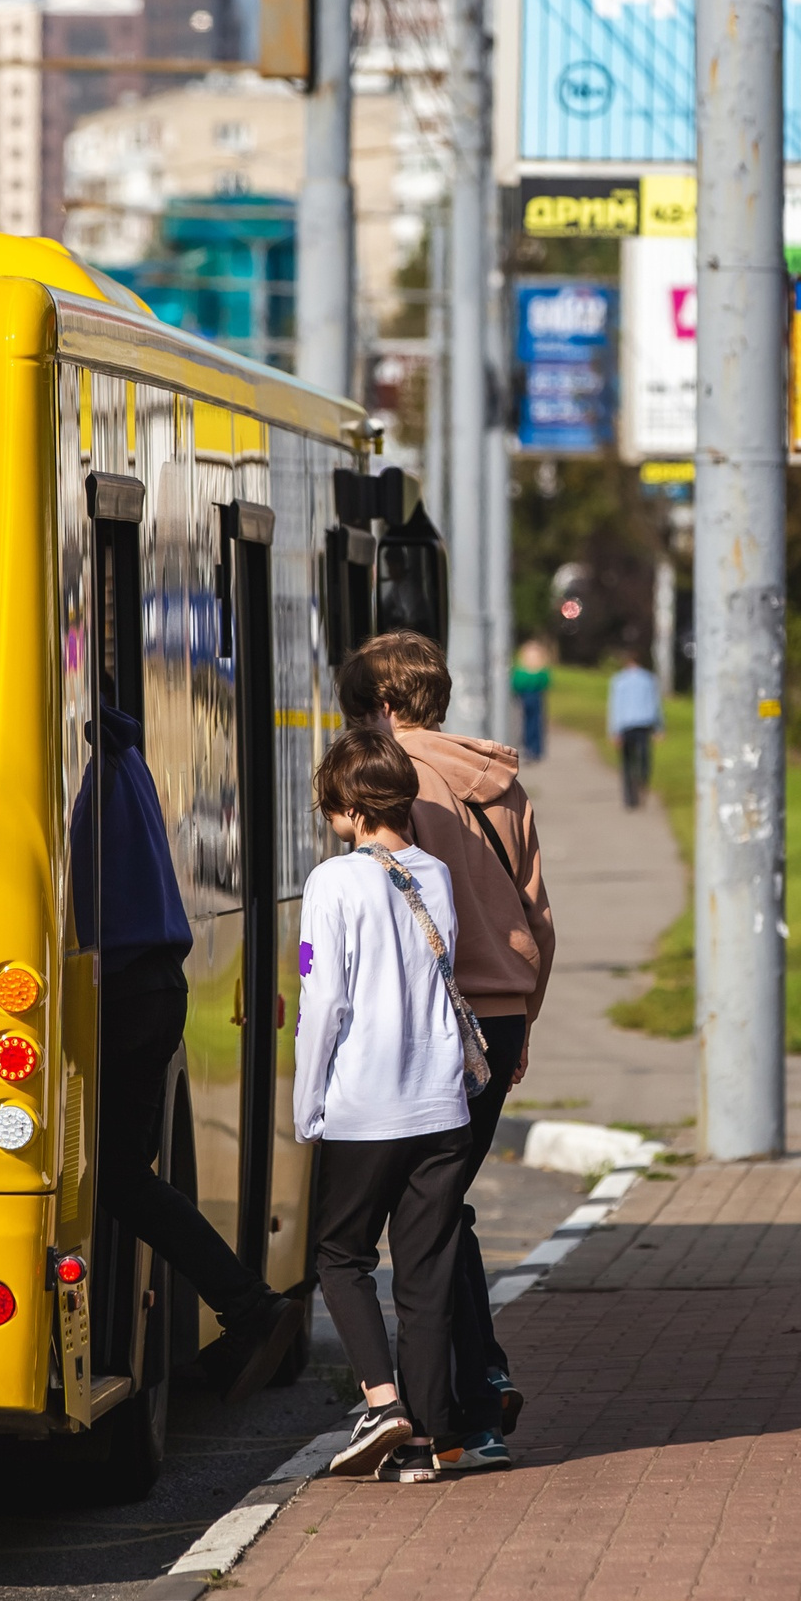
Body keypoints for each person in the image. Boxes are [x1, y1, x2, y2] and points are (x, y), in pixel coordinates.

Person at [339, 630, 553, 1473]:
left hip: (434, 1019)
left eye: (362, 710)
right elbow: (537, 913)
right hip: (499, 1018)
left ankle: (463, 1409)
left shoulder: (397, 784)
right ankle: (479, 1383)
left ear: (386, 707)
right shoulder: (500, 779)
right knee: (442, 1206)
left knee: (424, 1219)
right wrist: (524, 1016)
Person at [75, 702, 306, 1402]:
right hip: (150, 987)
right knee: (127, 1174)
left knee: (117, 1176)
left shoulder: (86, 766)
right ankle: (245, 1304)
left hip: (123, 989)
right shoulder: (119, 754)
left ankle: (248, 1303)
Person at [296, 729, 482, 1482]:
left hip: (364, 1104)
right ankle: (432, 1437)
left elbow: (324, 1000)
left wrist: (309, 1103)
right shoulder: (435, 873)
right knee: (427, 1271)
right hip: (440, 1106)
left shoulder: (333, 882)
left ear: (347, 805)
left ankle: (380, 1401)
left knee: (340, 1258)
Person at [606, 650, 662, 809]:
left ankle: (630, 797)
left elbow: (614, 707)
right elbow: (656, 705)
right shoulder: (648, 679)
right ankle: (641, 784)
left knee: (627, 762)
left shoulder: (619, 680)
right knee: (643, 760)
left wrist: (613, 731)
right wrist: (659, 727)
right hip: (643, 725)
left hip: (626, 726)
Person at [511, 640, 553, 762]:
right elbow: (517, 684)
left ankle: (534, 748)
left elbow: (544, 684)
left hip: (532, 698)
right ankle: (532, 748)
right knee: (530, 724)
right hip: (529, 698)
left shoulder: (535, 672)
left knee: (533, 723)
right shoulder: (525, 671)